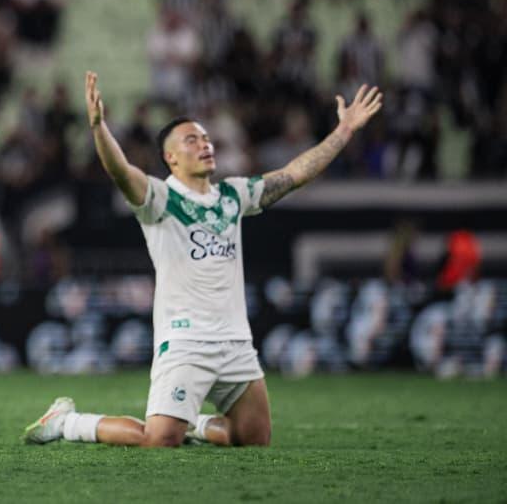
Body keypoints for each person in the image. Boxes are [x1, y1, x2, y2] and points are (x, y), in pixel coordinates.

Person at [23, 71, 382, 449]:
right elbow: (120, 171)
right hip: (185, 342)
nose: (204, 144)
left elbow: (294, 175)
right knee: (158, 440)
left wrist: (343, 131)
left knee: (254, 440)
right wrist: (98, 129)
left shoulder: (233, 195)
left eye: (207, 138)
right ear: (170, 157)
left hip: (235, 343)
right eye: (191, 140)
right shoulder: (161, 200)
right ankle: (69, 422)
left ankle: (193, 422)